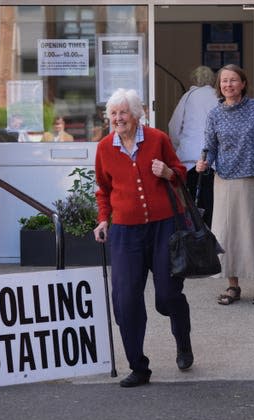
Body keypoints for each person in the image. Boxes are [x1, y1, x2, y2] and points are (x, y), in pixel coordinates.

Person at [93, 88, 193, 388]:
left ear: (136, 115)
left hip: (164, 227)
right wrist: (103, 220)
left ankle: (183, 340)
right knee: (125, 300)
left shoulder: (157, 139)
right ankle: (138, 366)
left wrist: (168, 172)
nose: (117, 118)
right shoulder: (104, 148)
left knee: (167, 296)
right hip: (125, 231)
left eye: (123, 113)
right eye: (113, 113)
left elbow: (180, 173)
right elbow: (103, 189)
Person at [196, 64, 254, 306]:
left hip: (253, 178)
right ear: (219, 86)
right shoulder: (215, 114)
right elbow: (210, 147)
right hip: (225, 180)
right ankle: (233, 286)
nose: (228, 85)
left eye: (233, 80)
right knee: (227, 234)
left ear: (243, 83)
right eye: (224, 81)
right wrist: (204, 163)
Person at [168, 66, 218, 226]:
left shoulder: (188, 97)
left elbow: (173, 127)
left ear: (194, 80)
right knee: (213, 205)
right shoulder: (219, 96)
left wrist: (178, 147)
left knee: (193, 207)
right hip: (215, 161)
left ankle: (197, 240)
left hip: (190, 161)